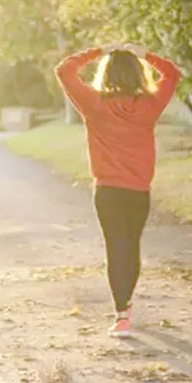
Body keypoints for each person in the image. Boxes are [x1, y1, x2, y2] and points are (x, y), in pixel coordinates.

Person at [54, 42, 181, 338]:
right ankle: (126, 306)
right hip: (138, 191)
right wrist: (145, 54)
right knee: (131, 245)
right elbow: (172, 74)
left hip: (107, 191)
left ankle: (121, 313)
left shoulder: (94, 104)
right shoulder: (149, 106)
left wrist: (97, 51)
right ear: (138, 74)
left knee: (116, 248)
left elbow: (64, 70)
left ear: (106, 74)